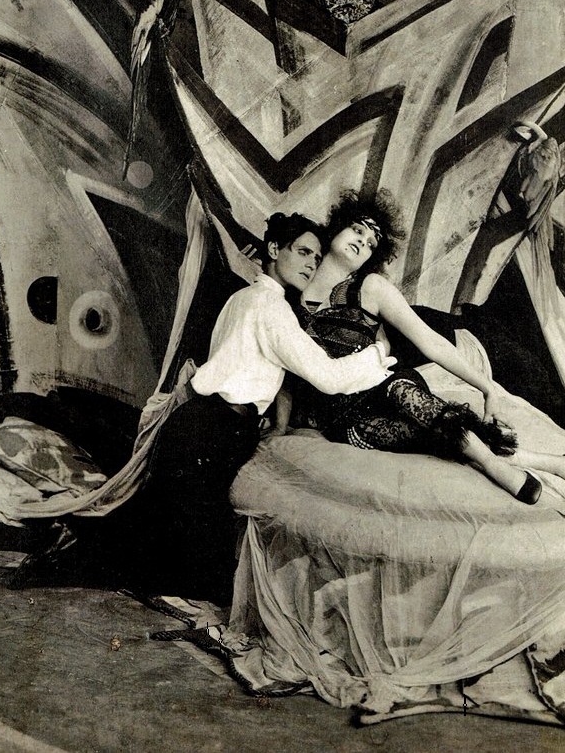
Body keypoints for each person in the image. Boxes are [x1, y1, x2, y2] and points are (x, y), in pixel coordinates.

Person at [122, 211, 395, 599]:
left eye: (316, 258)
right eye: (302, 252)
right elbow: (329, 377)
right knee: (193, 570)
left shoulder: (242, 298)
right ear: (274, 250)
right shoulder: (272, 308)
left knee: (161, 549)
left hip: (198, 423)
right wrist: (378, 354)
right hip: (216, 430)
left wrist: (277, 422)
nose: (311, 264)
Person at [286, 189, 565, 505]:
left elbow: (431, 342)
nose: (362, 241)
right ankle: (541, 460)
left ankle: (496, 466)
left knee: (403, 394)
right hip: (340, 416)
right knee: (435, 440)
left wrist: (487, 388)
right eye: (357, 230)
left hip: (387, 391)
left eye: (372, 242)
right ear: (335, 229)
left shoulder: (369, 288)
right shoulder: (289, 297)